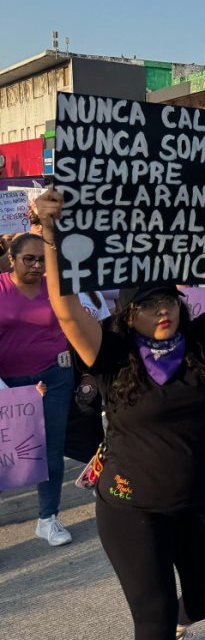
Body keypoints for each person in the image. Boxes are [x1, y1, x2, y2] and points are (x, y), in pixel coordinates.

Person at [36, 187, 205, 640]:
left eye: (167, 299)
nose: (161, 309)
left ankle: (180, 621)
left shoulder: (202, 341)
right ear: (129, 313)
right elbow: (66, 311)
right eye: (147, 304)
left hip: (203, 497)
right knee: (153, 620)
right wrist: (50, 232)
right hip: (132, 506)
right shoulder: (111, 351)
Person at [0, 232, 75, 547]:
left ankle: (48, 518)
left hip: (55, 377)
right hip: (7, 385)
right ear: (12, 259)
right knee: (5, 454)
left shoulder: (56, 287)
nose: (36, 265)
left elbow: (73, 327)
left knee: (50, 451)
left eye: (43, 260)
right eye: (28, 258)